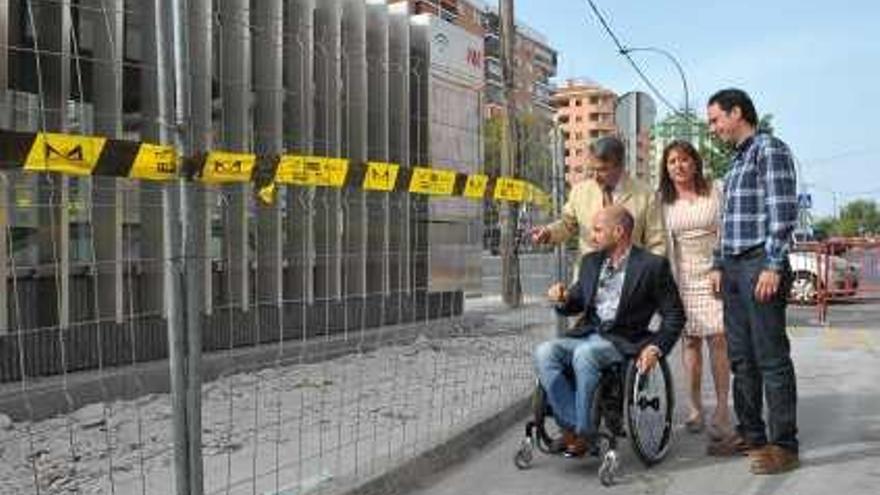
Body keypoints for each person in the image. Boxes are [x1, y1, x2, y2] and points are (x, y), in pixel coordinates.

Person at [534, 205, 685, 457]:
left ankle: (584, 432)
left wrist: (656, 347)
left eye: (597, 230)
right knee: (544, 352)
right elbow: (577, 301)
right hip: (588, 333)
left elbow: (675, 315)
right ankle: (576, 425)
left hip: (624, 339)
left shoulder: (652, 266)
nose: (591, 236)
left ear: (618, 231)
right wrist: (561, 298)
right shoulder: (591, 262)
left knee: (585, 355)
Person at [705, 89, 799, 475]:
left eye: (715, 120)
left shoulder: (768, 149)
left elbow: (783, 211)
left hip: (761, 264)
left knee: (771, 358)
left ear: (736, 112)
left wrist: (774, 264)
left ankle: (784, 445)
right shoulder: (736, 162)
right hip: (733, 268)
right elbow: (728, 222)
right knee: (742, 359)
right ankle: (752, 434)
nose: (713, 128)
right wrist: (717, 263)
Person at [658, 141, 731, 440]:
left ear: (695, 162)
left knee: (718, 340)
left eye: (684, 159)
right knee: (690, 344)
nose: (679, 165)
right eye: (672, 161)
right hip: (682, 279)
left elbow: (728, 229)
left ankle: (723, 408)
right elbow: (662, 242)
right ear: (666, 167)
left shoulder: (716, 189)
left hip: (715, 273)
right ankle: (695, 408)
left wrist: (721, 266)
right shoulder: (662, 199)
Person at [532, 136, 666, 258]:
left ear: (620, 166)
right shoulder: (580, 192)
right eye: (592, 169)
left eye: (602, 169)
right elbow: (567, 225)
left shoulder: (646, 196)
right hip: (588, 278)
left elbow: (657, 243)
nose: (595, 176)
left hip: (630, 279)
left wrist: (646, 274)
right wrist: (548, 233)